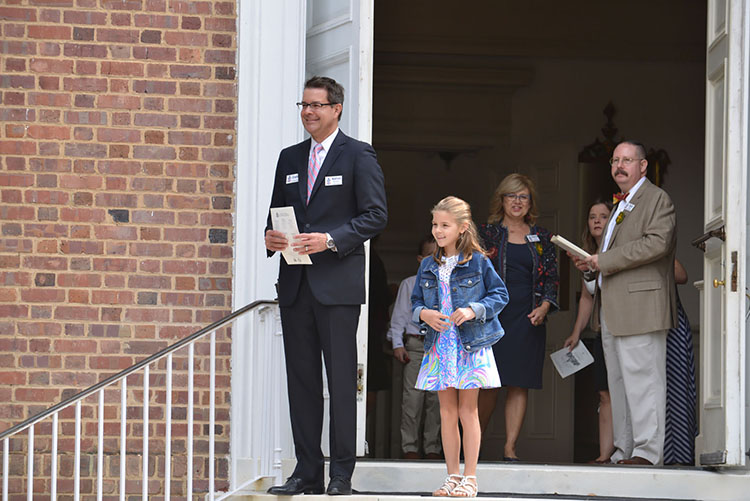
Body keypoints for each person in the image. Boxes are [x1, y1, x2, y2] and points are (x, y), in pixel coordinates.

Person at [264, 76, 388, 495]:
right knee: (301, 382)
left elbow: (375, 216)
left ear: (336, 109)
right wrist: (271, 237)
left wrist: (331, 240)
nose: (308, 112)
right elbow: (275, 216)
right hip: (296, 284)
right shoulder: (289, 157)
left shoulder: (358, 155)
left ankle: (340, 476)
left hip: (337, 288)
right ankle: (306, 473)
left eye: (316, 105)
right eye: (303, 105)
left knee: (338, 382)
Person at [572, 140, 677, 466]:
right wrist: (592, 265)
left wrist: (604, 259)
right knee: (619, 387)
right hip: (613, 311)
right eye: (615, 160)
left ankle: (647, 453)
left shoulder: (657, 199)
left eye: (627, 160)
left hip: (642, 307)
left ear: (643, 166)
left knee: (644, 384)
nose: (619, 166)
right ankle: (625, 451)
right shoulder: (621, 204)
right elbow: (612, 258)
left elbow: (657, 244)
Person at [411, 196, 508, 497]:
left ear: (462, 228)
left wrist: (473, 310)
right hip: (440, 346)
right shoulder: (428, 265)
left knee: (469, 412)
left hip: (470, 345)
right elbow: (415, 302)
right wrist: (424, 314)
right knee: (446, 413)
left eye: (444, 225)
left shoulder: (478, 262)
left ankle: (471, 478)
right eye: (434, 224)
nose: (438, 231)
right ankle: (452, 475)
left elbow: (499, 295)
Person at [477, 173, 559, 461]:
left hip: (528, 315)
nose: (517, 202)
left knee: (518, 382)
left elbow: (552, 278)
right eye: (512, 196)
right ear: (501, 200)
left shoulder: (543, 237)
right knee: (487, 382)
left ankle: (510, 448)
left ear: (530, 202)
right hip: (492, 316)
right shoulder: (485, 233)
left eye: (523, 196)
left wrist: (546, 306)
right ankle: (475, 443)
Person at [563, 199, 615, 464]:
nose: (596, 220)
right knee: (604, 392)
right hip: (600, 332)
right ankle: (604, 454)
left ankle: (628, 450)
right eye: (592, 216)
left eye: (604, 216)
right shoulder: (586, 256)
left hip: (623, 329)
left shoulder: (618, 250)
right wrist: (576, 332)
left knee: (623, 392)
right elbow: (587, 297)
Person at [387, 235, 441, 460]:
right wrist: (398, 344)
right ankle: (410, 447)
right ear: (420, 259)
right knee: (412, 400)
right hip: (416, 345)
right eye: (429, 256)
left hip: (439, 347)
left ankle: (433, 448)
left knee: (437, 402)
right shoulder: (410, 284)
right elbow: (399, 316)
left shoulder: (448, 286)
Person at [664, 259, 697, 465]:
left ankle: (682, 454)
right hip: (638, 325)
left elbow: (681, 276)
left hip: (671, 324)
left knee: (677, 388)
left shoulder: (658, 244)